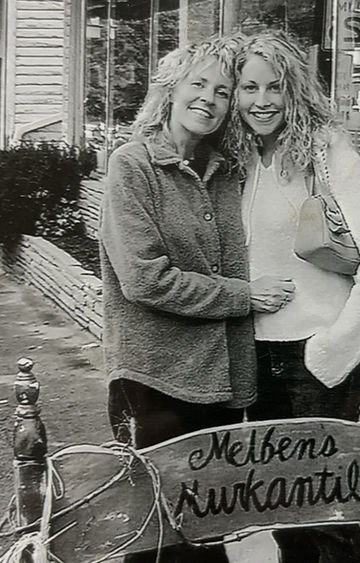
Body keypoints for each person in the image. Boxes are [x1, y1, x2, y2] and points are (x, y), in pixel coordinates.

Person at [98, 35, 294, 563]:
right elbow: (144, 278)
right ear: (170, 90)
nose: (210, 97)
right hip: (154, 378)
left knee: (208, 532)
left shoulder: (227, 172)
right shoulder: (132, 165)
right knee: (158, 537)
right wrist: (244, 297)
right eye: (199, 84)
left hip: (220, 382)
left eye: (224, 91)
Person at [226, 30, 360, 563]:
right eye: (248, 87)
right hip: (254, 360)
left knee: (327, 522)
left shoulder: (324, 151)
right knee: (283, 518)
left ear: (293, 89)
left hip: (314, 362)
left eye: (274, 87)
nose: (261, 101)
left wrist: (335, 348)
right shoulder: (235, 158)